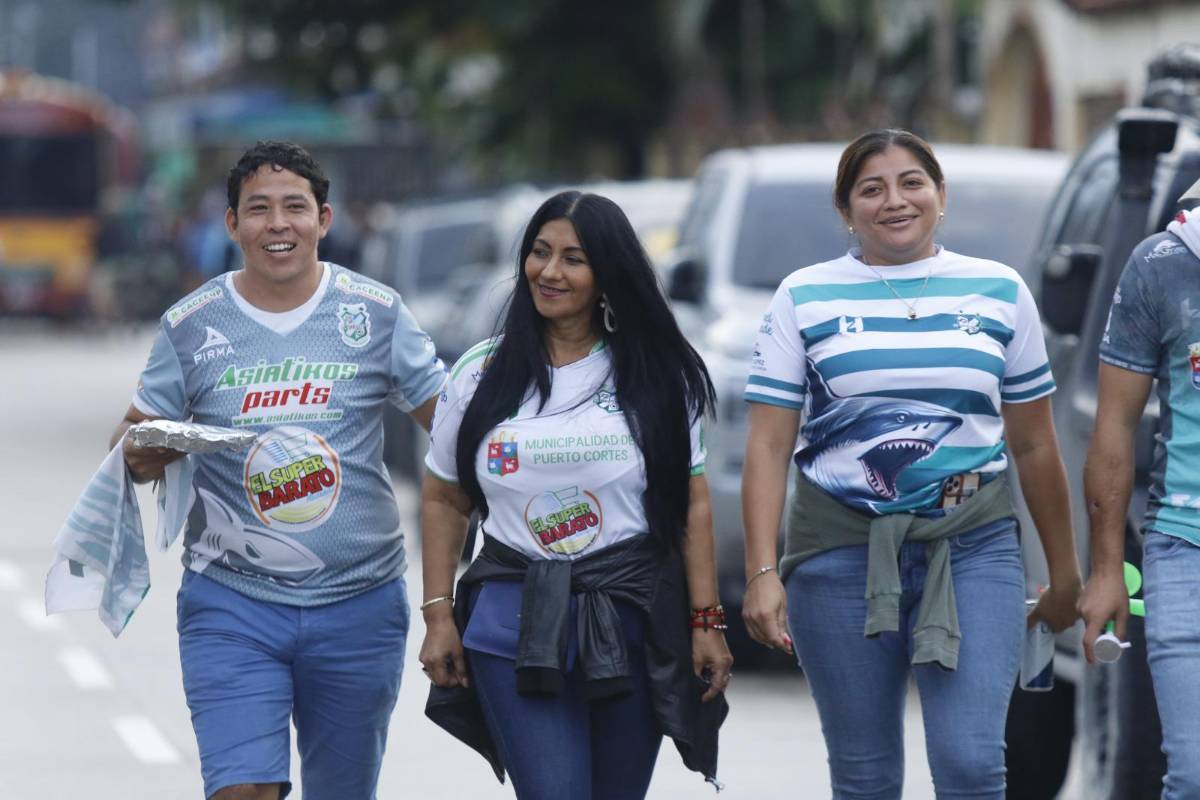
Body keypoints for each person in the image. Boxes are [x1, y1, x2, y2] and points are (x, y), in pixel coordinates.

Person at [740, 128, 1081, 798]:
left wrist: (1064, 572)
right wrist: (759, 571)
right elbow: (769, 443)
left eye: (911, 183)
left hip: (974, 549)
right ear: (846, 211)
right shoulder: (803, 296)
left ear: (940, 195)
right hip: (837, 555)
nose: (894, 201)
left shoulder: (1000, 290)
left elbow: (1036, 443)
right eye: (872, 189)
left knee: (971, 764)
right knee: (865, 776)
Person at [111, 140, 446, 800]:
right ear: (231, 225)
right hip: (232, 602)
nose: (278, 224)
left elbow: (456, 430)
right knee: (244, 791)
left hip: (360, 600)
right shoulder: (191, 324)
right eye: (257, 209)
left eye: (295, 207)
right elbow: (130, 445)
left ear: (324, 219)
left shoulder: (375, 313)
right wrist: (164, 443)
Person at [418, 190, 731, 799]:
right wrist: (437, 616)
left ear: (608, 273)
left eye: (573, 258)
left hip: (631, 617)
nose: (550, 272)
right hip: (510, 617)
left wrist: (706, 622)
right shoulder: (479, 374)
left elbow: (691, 505)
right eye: (539, 253)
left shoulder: (659, 375)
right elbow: (442, 498)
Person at [1078, 202, 1200, 798]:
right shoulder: (1163, 264)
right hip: (1185, 542)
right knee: (1194, 775)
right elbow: (1113, 428)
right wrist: (1105, 571)